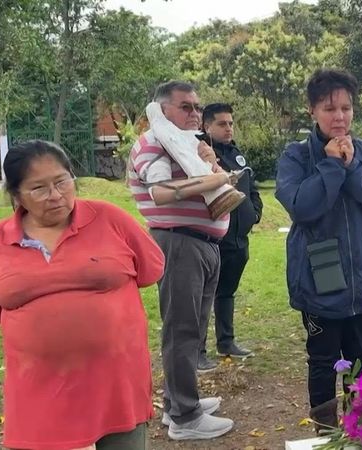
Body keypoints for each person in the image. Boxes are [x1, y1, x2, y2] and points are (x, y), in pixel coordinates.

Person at [0, 140, 165, 449]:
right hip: (37, 389)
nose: (56, 195)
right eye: (39, 188)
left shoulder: (110, 219)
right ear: (16, 195)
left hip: (115, 381)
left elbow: (151, 269)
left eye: (62, 181)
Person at [275, 69, 362, 430]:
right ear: (312, 111)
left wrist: (351, 169)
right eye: (329, 108)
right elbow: (302, 207)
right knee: (322, 361)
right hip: (321, 275)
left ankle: (358, 429)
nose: (339, 116)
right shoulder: (296, 157)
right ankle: (326, 432)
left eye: (346, 108)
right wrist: (331, 165)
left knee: (361, 359)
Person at [128, 81, 235, 440]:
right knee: (182, 330)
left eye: (197, 107)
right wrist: (215, 179)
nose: (195, 114)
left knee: (194, 328)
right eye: (185, 107)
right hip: (179, 243)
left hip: (202, 244)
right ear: (162, 108)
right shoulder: (152, 142)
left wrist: (211, 168)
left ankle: (179, 401)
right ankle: (185, 418)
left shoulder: (185, 143)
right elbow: (159, 193)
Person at [197, 103, 262, 369]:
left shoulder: (236, 155)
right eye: (222, 124)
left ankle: (226, 342)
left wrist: (254, 212)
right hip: (212, 240)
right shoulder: (199, 154)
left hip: (238, 239)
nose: (229, 128)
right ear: (207, 126)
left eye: (231, 123)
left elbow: (252, 186)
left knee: (227, 293)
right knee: (202, 297)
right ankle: (197, 351)